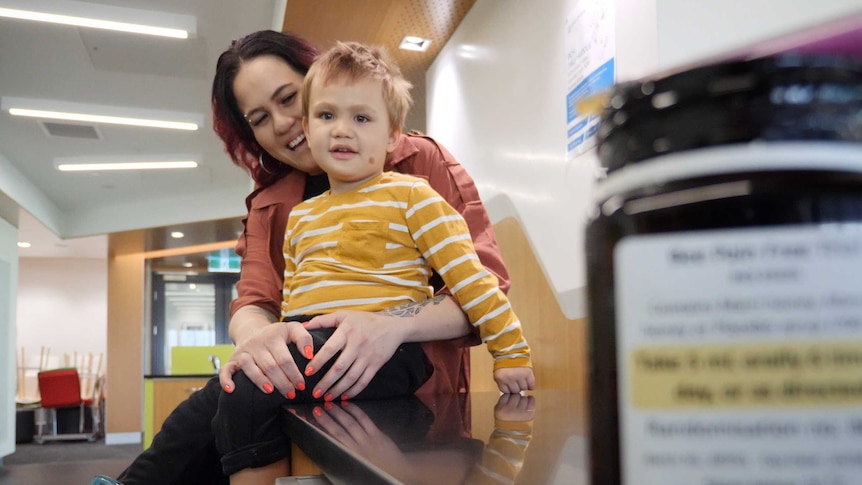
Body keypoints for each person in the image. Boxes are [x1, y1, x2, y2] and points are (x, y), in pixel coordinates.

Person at [110, 29, 511, 485]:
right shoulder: (273, 204)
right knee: (232, 395)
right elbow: (253, 302)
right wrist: (262, 343)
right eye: (259, 118)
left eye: (289, 98)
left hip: (416, 400)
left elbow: (486, 288)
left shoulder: (414, 165)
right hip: (303, 394)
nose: (282, 123)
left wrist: (392, 323)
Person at [211, 40, 534, 485]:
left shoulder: (412, 193)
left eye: (361, 118)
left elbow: (475, 281)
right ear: (311, 124)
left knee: (245, 395)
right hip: (317, 340)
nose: (341, 130)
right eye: (326, 116)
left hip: (394, 354)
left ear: (392, 136)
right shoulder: (301, 216)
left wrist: (511, 353)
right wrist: (270, 343)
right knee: (238, 388)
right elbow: (284, 299)